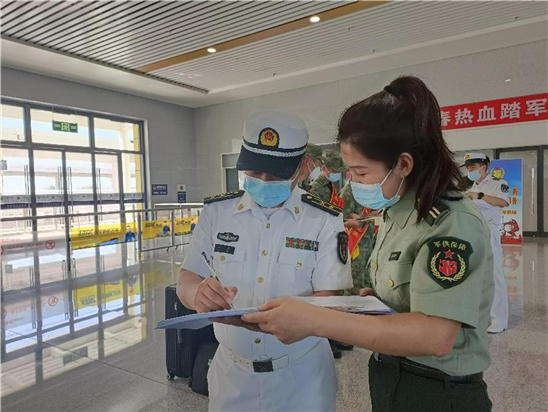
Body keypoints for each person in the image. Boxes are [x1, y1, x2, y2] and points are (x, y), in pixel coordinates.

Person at [242, 77, 495, 412]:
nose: (353, 182)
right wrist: (375, 302)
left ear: (403, 164)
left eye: (361, 173)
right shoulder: (397, 211)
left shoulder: (449, 223)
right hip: (392, 376)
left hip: (437, 392)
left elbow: (435, 336)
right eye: (349, 172)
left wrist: (314, 320)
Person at [176, 111, 352, 412]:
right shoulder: (217, 213)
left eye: (277, 174)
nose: (265, 181)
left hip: (302, 377)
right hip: (231, 376)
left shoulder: (324, 220)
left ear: (303, 167)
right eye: (255, 172)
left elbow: (330, 295)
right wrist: (197, 295)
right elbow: (188, 278)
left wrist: (298, 318)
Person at [308, 149, 353, 355]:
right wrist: (347, 222)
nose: (336, 173)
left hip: (334, 241)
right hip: (322, 245)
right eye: (334, 170)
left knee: (336, 290)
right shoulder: (316, 188)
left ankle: (335, 335)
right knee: (325, 292)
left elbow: (334, 214)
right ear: (324, 168)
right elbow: (317, 221)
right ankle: (326, 340)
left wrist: (346, 219)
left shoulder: (329, 186)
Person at [464, 152, 509, 333]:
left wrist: (480, 195)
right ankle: (478, 315)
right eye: (468, 168)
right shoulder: (469, 187)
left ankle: (500, 319)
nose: (470, 171)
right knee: (473, 274)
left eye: (473, 167)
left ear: (484, 166)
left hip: (489, 231)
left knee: (494, 274)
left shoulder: (498, 183)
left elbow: (502, 202)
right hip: (470, 231)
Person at [340, 182, 376, 292]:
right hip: (354, 246)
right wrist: (350, 221)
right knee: (354, 283)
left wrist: (370, 216)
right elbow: (338, 218)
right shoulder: (349, 191)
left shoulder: (370, 190)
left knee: (367, 281)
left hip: (367, 243)